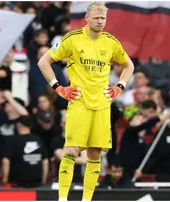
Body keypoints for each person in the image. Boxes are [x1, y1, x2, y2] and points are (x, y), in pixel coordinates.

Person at [37, 2, 134, 201]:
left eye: (103, 18)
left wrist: (120, 87)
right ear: (87, 18)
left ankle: (87, 199)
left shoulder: (111, 42)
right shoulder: (72, 39)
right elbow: (43, 62)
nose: (100, 21)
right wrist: (59, 88)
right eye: (97, 18)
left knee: (95, 154)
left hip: (102, 104)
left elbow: (129, 65)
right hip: (79, 102)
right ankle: (62, 198)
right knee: (71, 151)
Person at [2, 115, 49, 188]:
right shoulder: (39, 140)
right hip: (36, 184)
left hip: (17, 184)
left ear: (18, 124)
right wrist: (43, 180)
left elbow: (5, 161)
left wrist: (5, 179)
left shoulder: (11, 141)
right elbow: (45, 161)